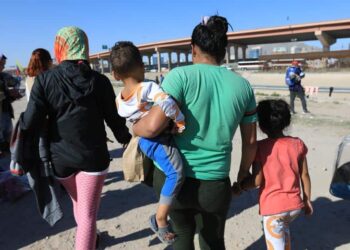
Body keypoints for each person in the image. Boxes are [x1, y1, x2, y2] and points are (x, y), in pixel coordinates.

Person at [133, 15, 257, 249]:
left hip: (174, 179)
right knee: (213, 240)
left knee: (181, 234)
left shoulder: (179, 76)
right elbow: (250, 142)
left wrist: (135, 127)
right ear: (223, 50)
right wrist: (242, 174)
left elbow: (151, 127)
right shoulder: (243, 87)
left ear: (193, 49)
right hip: (215, 183)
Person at [20, 27, 131, 250]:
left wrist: (20, 143)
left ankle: (91, 238)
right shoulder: (99, 81)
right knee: (88, 215)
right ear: (84, 46)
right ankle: (88, 239)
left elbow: (30, 122)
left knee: (79, 204)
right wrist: (126, 139)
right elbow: (113, 119)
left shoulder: (44, 80)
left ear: (60, 47)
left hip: (60, 160)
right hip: (93, 158)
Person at [110, 41, 185, 245]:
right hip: (157, 140)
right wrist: (180, 122)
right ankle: (160, 219)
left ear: (115, 75)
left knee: (164, 170)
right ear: (142, 66)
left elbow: (132, 117)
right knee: (176, 173)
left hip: (144, 142)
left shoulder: (119, 100)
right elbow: (168, 103)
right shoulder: (147, 87)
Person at [236, 99, 313, 250]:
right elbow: (304, 174)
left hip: (274, 210)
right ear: (286, 121)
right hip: (294, 206)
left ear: (261, 126)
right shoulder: (297, 144)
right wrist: (307, 199)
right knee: (284, 238)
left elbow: (257, 180)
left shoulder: (260, 148)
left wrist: (241, 186)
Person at [0, 52, 21, 155]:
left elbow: (17, 83)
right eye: (1, 64)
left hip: (5, 112)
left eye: (4, 64)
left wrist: (15, 92)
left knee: (9, 136)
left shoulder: (4, 76)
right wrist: (8, 93)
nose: (3, 67)